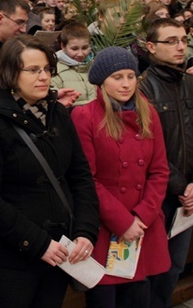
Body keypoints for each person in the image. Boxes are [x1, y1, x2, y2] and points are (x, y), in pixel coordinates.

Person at [0, 34, 100, 308]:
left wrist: (85, 231)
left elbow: (80, 176)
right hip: (12, 261)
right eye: (33, 70)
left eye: (48, 69)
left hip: (59, 252)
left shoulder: (58, 114)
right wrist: (38, 243)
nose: (44, 77)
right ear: (11, 73)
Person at [71, 47, 170, 307]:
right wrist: (123, 221)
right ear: (102, 81)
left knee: (138, 298)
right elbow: (87, 179)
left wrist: (142, 216)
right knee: (104, 299)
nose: (126, 84)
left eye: (131, 76)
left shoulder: (148, 113)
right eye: (117, 77)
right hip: (106, 228)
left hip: (141, 227)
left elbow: (159, 170)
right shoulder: (85, 116)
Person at [138, 18, 193, 308]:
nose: (181, 46)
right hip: (156, 194)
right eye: (171, 41)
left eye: (183, 39)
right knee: (148, 269)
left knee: (174, 266)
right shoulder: (141, 89)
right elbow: (146, 148)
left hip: (189, 195)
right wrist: (182, 185)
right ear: (151, 47)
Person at [51, 21, 95, 107]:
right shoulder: (56, 71)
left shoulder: (95, 66)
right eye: (74, 49)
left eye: (85, 48)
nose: (80, 54)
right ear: (63, 46)